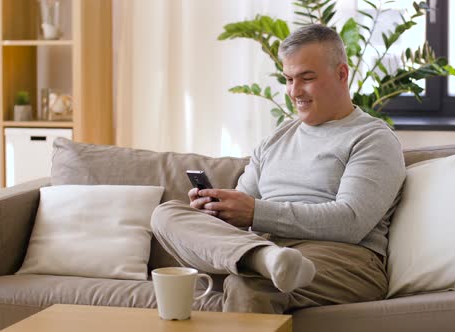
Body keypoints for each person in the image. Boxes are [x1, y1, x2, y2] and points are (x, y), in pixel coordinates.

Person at [151, 24, 406, 314]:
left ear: (342, 74)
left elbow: (351, 221)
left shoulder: (372, 138)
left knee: (250, 283)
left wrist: (256, 213)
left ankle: (264, 262)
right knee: (166, 213)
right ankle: (262, 259)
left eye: (307, 78)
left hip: (344, 258)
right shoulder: (276, 140)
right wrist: (216, 209)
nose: (294, 91)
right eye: (288, 79)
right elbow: (241, 210)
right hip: (269, 249)